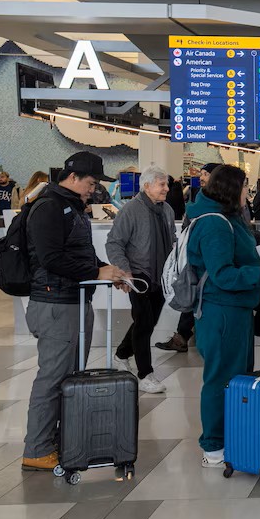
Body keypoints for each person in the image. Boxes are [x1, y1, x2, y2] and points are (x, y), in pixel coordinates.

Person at [21, 152, 130, 471]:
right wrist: (96, 273)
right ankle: (37, 449)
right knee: (53, 379)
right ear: (73, 177)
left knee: (69, 378)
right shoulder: (49, 206)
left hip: (73, 300)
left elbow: (80, 252)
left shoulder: (70, 207)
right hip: (55, 304)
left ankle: (56, 439)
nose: (95, 190)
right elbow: (50, 258)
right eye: (93, 183)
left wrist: (107, 269)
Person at [187, 165, 260, 468]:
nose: (249, 192)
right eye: (246, 187)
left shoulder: (229, 219)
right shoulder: (214, 224)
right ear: (232, 190)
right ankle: (214, 447)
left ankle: (230, 436)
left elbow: (234, 256)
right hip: (221, 313)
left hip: (236, 310)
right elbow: (221, 274)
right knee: (221, 379)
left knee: (236, 376)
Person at [106, 165, 177, 394]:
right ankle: (145, 374)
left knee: (146, 322)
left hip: (161, 277)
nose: (167, 188)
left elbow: (171, 239)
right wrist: (125, 272)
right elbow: (114, 242)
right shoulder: (131, 210)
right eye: (162, 184)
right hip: (138, 276)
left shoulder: (166, 210)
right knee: (144, 323)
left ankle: (121, 355)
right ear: (147, 186)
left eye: (166, 184)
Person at [157, 163, 221, 353]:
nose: (201, 177)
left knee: (198, 296)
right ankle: (184, 336)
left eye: (206, 174)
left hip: (209, 261)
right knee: (193, 294)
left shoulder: (221, 204)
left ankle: (185, 336)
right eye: (201, 174)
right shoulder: (199, 199)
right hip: (196, 259)